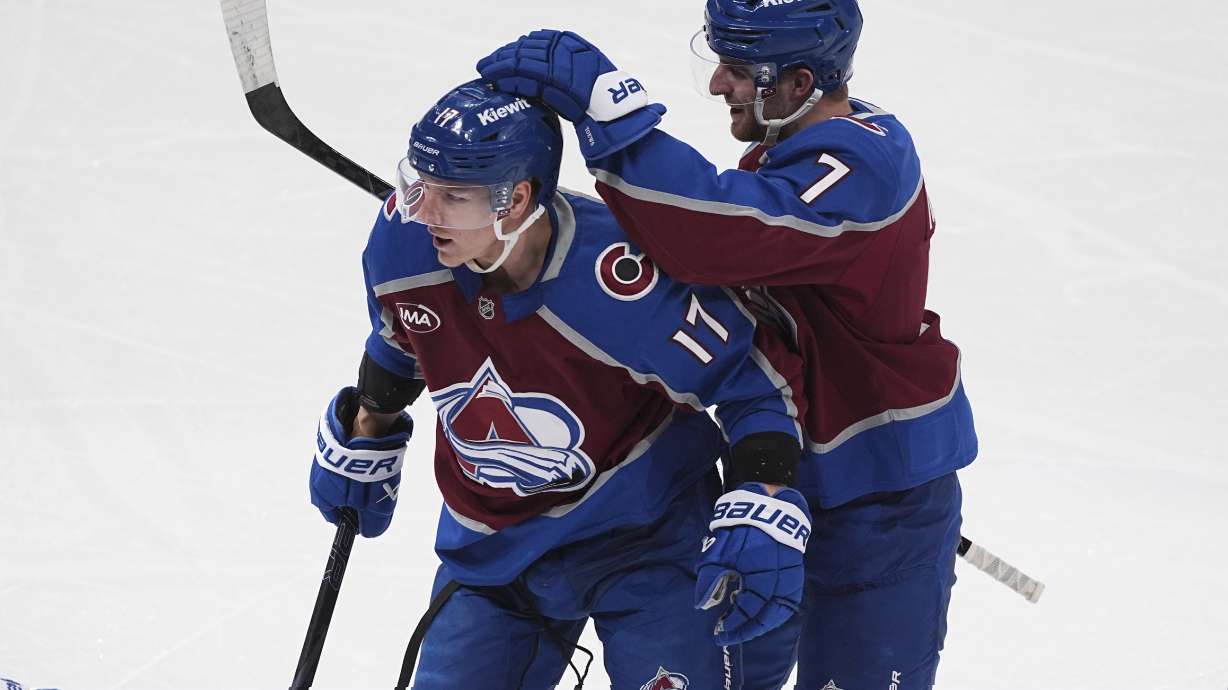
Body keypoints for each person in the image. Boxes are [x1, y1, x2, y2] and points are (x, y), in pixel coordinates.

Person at [476, 2, 979, 688]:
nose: (718, 85)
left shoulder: (861, 167)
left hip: (881, 499)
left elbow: (710, 233)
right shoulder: (795, 149)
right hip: (780, 478)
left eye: (740, 71)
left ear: (799, 84)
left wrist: (610, 116)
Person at [307, 79, 814, 689]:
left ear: (516, 199)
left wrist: (762, 502)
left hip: (644, 538)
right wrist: (369, 424)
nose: (423, 210)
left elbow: (750, 384)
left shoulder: (622, 281)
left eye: (453, 195)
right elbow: (402, 335)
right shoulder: (403, 240)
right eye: (419, 184)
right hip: (494, 543)